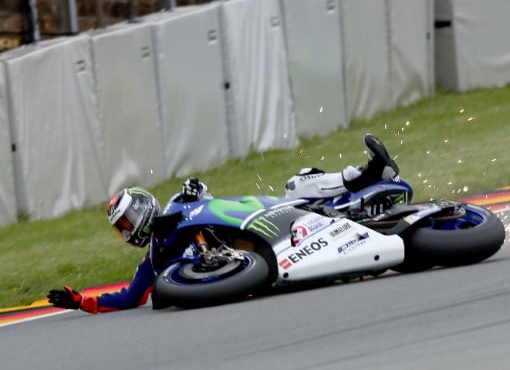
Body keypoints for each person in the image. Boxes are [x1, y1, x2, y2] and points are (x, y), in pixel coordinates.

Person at [46, 133, 398, 313]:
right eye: (122, 227)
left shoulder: (176, 204)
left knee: (299, 183)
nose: (129, 228)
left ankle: (372, 173)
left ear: (145, 206)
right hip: (255, 256)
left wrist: (193, 188)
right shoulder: (152, 260)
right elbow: (129, 298)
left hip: (261, 216)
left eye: (129, 218)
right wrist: (80, 301)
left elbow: (202, 186)